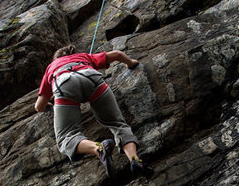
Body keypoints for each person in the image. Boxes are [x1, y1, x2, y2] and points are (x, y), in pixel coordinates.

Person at [35, 44, 153, 178]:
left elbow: (39, 107)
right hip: (92, 78)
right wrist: (130, 63)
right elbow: (117, 54)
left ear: (56, 58)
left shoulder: (51, 67)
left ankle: (98, 148)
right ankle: (134, 160)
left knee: (65, 137)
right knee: (118, 124)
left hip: (65, 84)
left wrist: (50, 104)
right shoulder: (83, 56)